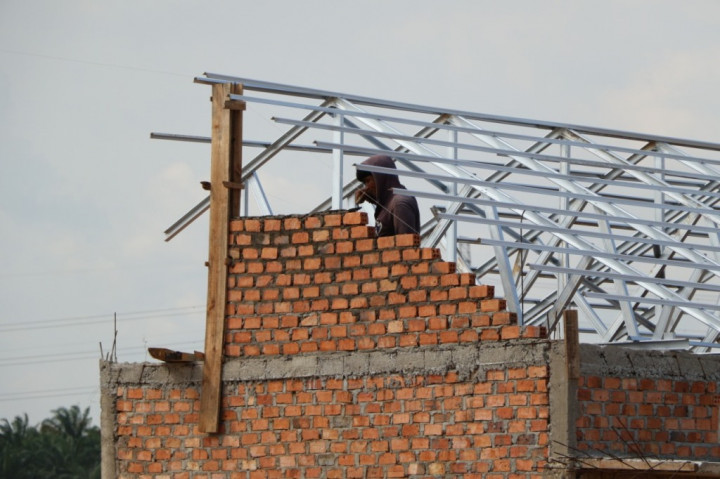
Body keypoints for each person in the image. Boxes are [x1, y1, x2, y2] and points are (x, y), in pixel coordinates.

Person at [354, 154, 420, 237]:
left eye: (368, 181)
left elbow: (406, 245)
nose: (366, 187)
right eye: (364, 183)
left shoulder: (399, 204)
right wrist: (375, 201)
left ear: (380, 178)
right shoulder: (390, 201)